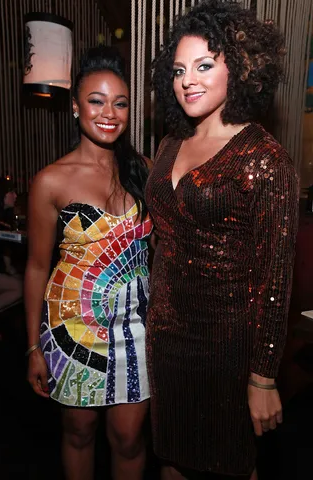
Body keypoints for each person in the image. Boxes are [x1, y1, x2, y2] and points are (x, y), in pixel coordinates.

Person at [145, 1, 299, 479]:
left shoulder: (265, 158)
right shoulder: (170, 142)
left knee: (227, 464)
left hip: (225, 350)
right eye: (178, 70)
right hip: (165, 341)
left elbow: (277, 279)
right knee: (171, 459)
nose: (187, 79)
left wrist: (263, 377)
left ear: (241, 65)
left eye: (204, 65)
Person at [25, 45, 153, 480]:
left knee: (131, 439)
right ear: (76, 106)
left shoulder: (144, 170)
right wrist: (33, 347)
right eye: (96, 101)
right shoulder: (51, 180)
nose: (109, 113)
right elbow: (38, 268)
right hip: (71, 332)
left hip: (136, 330)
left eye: (119, 103)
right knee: (79, 434)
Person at [0, 177, 22, 324]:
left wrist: (10, 269)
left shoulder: (4, 220)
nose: (16, 196)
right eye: (11, 192)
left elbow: (5, 253)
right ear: (1, 195)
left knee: (22, 284)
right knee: (20, 288)